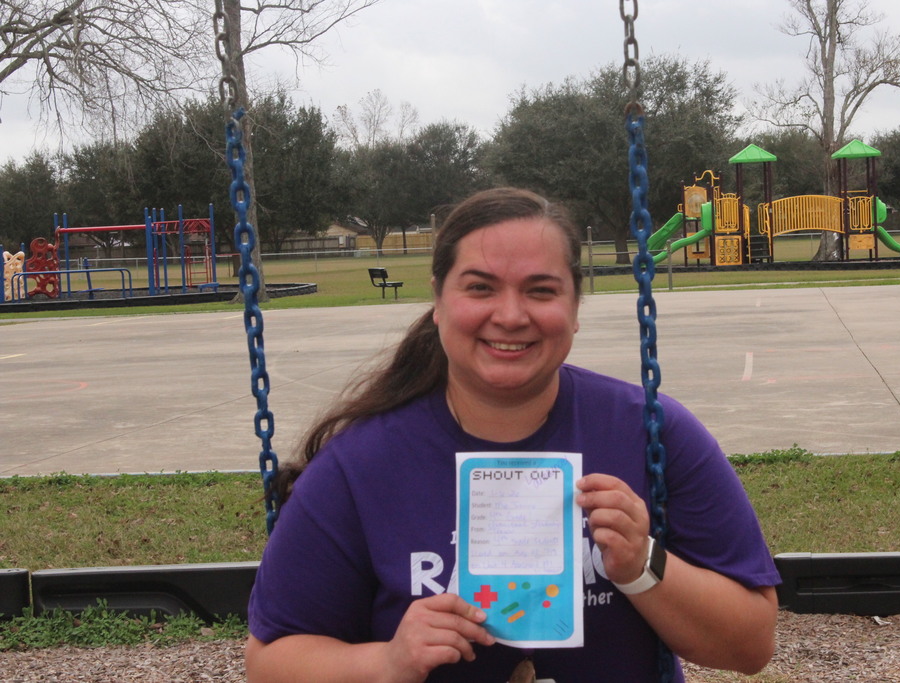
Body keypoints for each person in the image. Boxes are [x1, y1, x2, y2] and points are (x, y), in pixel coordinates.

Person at [246, 187, 781, 683]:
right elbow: (269, 663)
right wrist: (387, 661)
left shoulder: (651, 432)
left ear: (574, 308)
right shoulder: (361, 463)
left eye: (541, 291)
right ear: (439, 301)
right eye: (480, 288)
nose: (510, 315)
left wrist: (644, 565)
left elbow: (751, 644)